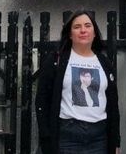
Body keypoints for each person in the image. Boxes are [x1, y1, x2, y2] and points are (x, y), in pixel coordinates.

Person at [35, 10, 121, 154]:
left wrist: (115, 142)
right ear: (70, 34)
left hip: (99, 138)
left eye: (88, 26)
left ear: (94, 33)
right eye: (77, 27)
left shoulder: (104, 63)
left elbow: (113, 104)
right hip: (67, 137)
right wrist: (46, 138)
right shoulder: (57, 60)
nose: (83, 30)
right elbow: (42, 100)